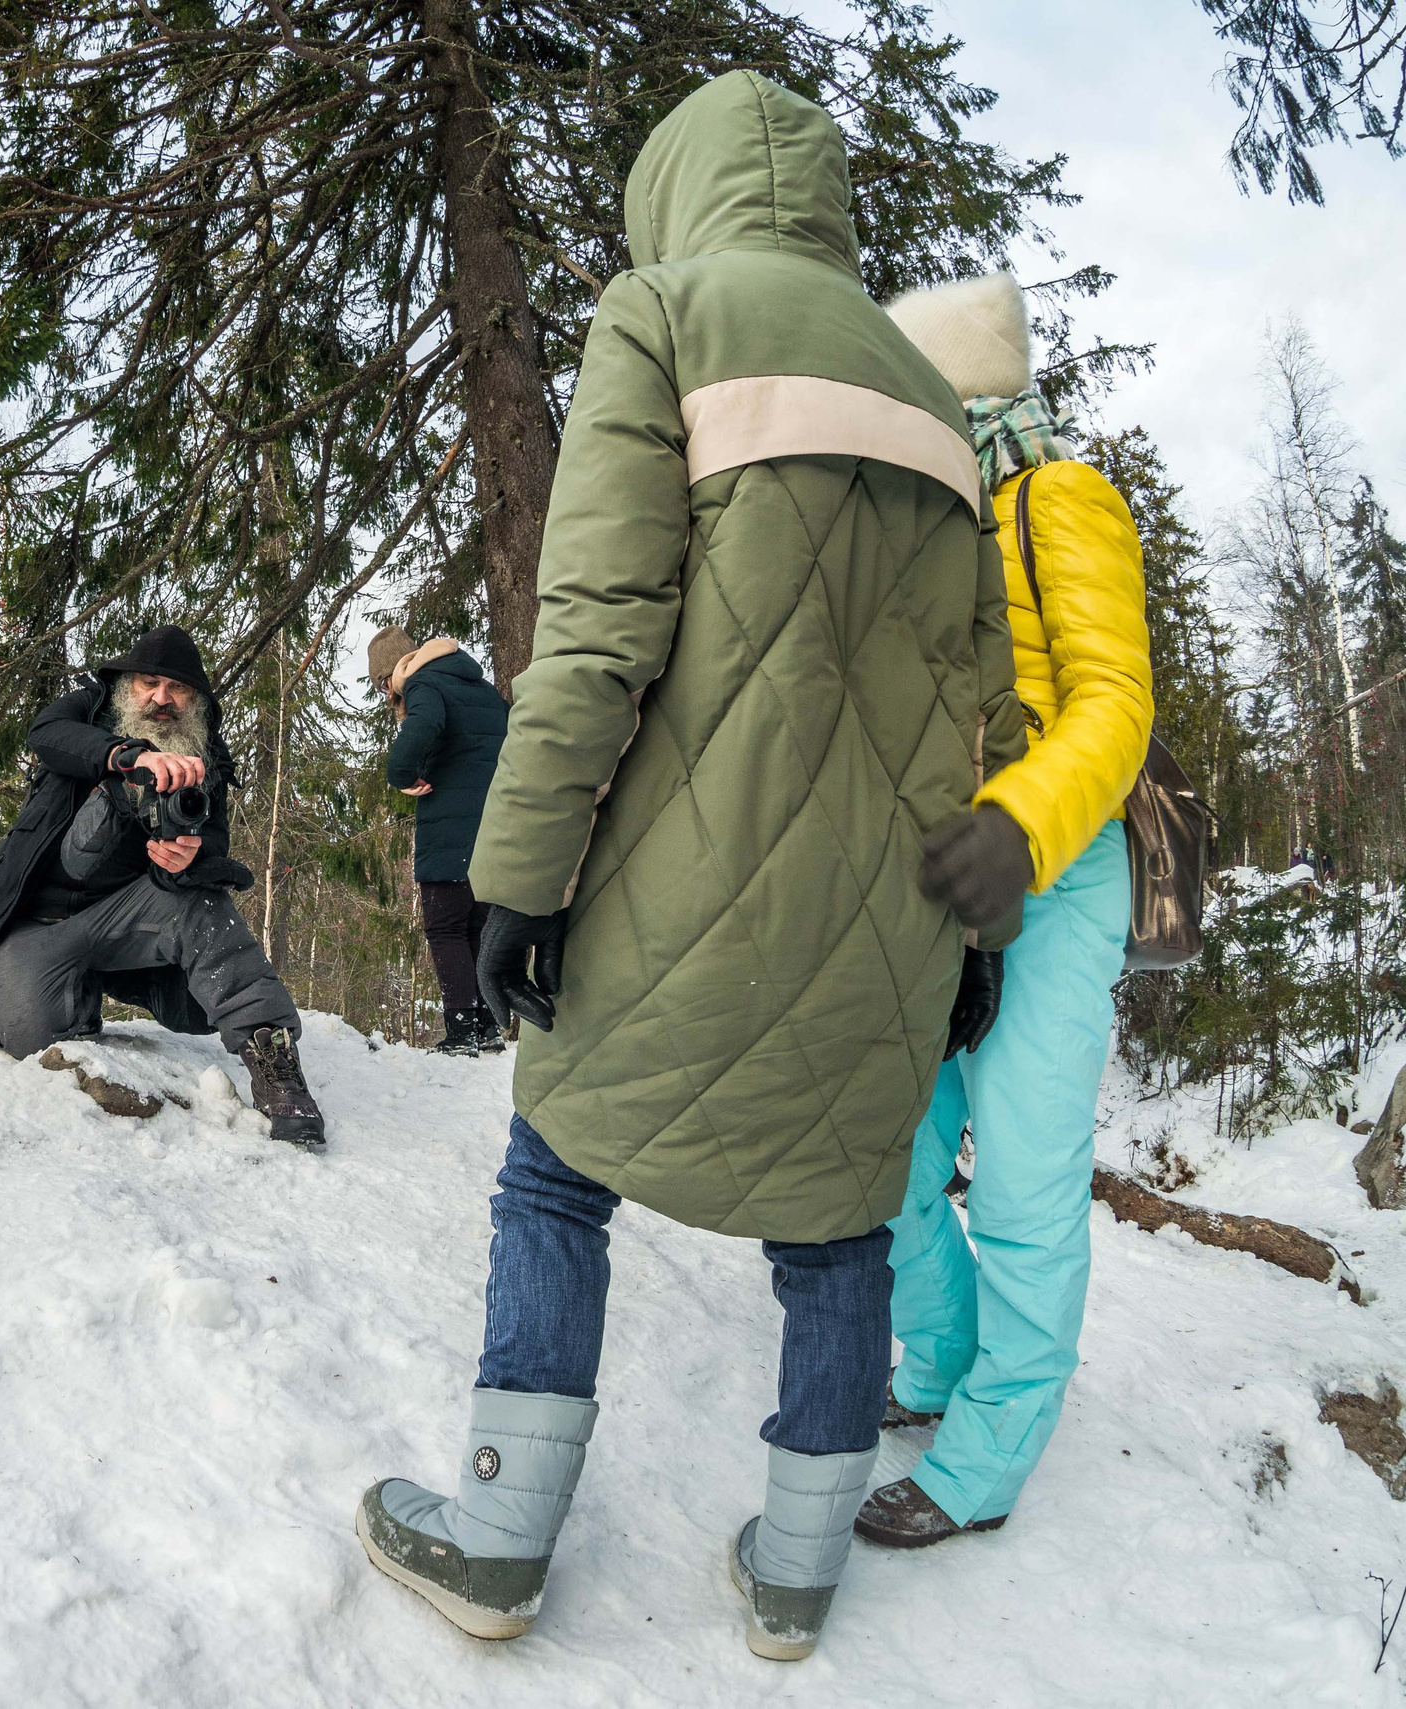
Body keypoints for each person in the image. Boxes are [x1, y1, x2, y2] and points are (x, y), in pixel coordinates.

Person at [354, 71, 1026, 1662]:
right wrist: (969, 936)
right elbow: (971, 697)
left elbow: (596, 633)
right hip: (885, 913)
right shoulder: (936, 398)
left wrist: (520, 872)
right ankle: (797, 1573)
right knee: (841, 1220)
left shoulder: (662, 312)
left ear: (683, 189)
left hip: (674, 880)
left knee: (552, 1168)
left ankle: (501, 1536)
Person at [857, 273, 1154, 1551]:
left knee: (1024, 1174)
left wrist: (1021, 826)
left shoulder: (1057, 498)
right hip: (934, 880)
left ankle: (987, 1451)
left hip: (1053, 864)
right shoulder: (918, 521)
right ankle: (939, 1362)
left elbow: (1113, 704)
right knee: (899, 1155)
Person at [0, 626, 329, 1149]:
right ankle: (74, 990)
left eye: (177, 688)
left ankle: (275, 1063)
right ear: (126, 685)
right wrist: (132, 758)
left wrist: (192, 856)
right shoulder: (88, 710)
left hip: (127, 920)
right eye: (149, 683)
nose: (162, 698)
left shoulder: (206, 755)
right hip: (38, 925)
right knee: (25, 1033)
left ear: (194, 698)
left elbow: (214, 838)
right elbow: (46, 732)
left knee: (202, 900)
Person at [369, 626, 509, 1056]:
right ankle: (487, 1027)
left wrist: (401, 774)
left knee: (445, 927)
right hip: (497, 826)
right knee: (478, 927)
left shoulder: (422, 684)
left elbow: (425, 724)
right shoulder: (479, 686)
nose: (387, 694)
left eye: (382, 684)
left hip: (452, 825)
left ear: (388, 674)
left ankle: (462, 1031)